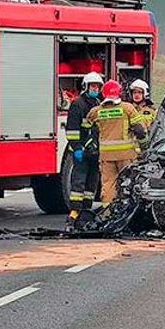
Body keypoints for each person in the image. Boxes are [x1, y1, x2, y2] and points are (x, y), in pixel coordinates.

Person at [87, 81, 148, 205]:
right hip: (126, 155)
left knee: (108, 185)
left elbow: (87, 127)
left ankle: (108, 213)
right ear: (119, 93)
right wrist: (145, 148)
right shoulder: (127, 108)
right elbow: (140, 131)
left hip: (106, 156)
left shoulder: (96, 111)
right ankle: (126, 210)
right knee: (128, 183)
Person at [65, 72, 105, 227]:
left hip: (96, 151)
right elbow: (72, 130)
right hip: (81, 150)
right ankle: (75, 211)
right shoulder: (78, 104)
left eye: (97, 86)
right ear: (86, 87)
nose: (95, 88)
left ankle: (86, 211)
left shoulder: (100, 103)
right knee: (78, 183)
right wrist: (77, 147)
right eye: (92, 86)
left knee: (92, 183)